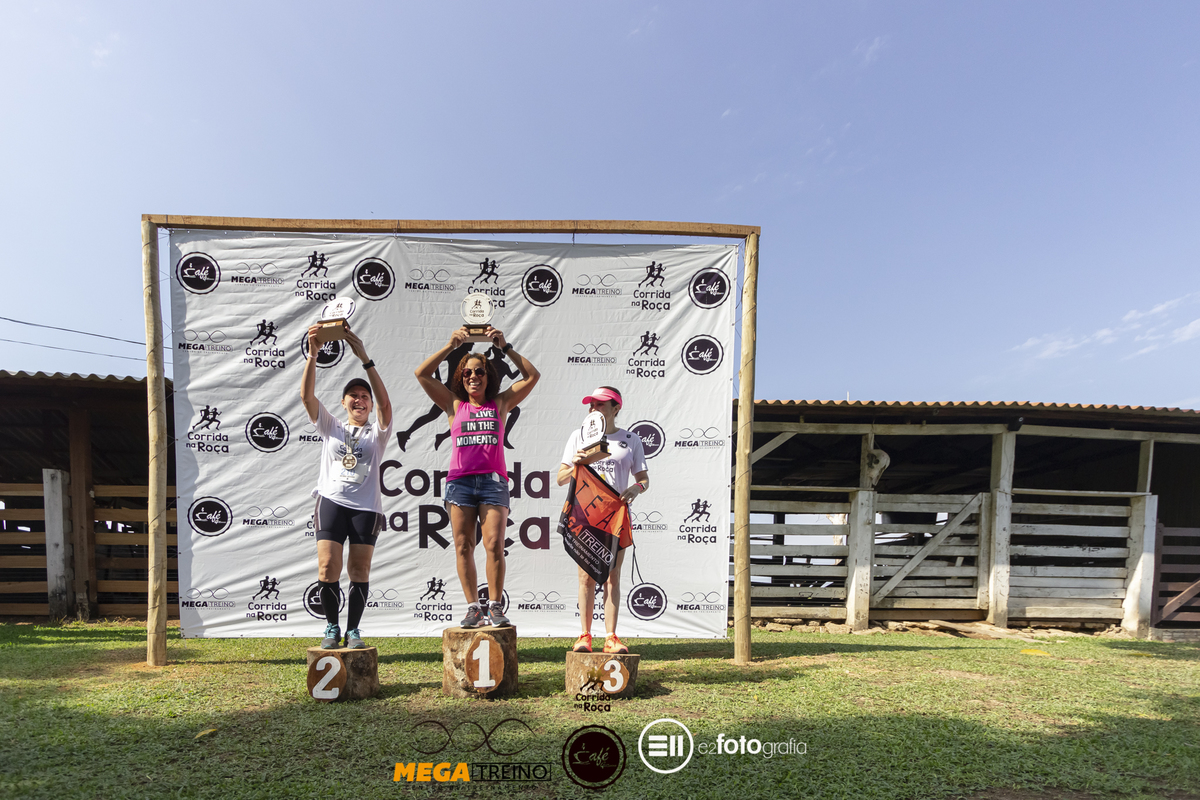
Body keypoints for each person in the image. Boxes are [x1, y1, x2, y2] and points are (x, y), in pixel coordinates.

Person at [414, 326, 539, 628]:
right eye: (468, 372)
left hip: (493, 483)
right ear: (461, 376)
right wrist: (451, 344)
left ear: (488, 375)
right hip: (460, 483)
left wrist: (505, 346)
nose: (474, 376)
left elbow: (532, 376)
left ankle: (494, 606)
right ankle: (473, 608)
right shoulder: (454, 404)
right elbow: (422, 374)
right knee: (463, 546)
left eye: (480, 371)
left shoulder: (500, 403)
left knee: (494, 543)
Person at [300, 325, 392, 649]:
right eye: (354, 395)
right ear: (343, 402)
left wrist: (364, 357)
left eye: (364, 396)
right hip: (332, 503)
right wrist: (312, 354)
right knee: (328, 567)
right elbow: (306, 397)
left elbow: (386, 405)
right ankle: (330, 627)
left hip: (366, 509)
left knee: (359, 569)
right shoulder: (331, 426)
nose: (360, 400)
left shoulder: (377, 434)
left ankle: (353, 630)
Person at [557, 386, 649, 655]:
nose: (593, 409)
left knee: (612, 578)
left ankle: (611, 637)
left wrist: (637, 488)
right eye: (591, 404)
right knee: (585, 578)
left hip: (615, 516)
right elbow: (561, 478)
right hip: (585, 515)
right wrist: (575, 463)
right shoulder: (578, 436)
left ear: (616, 408)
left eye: (600, 404)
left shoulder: (630, 439)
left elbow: (643, 480)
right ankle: (585, 635)